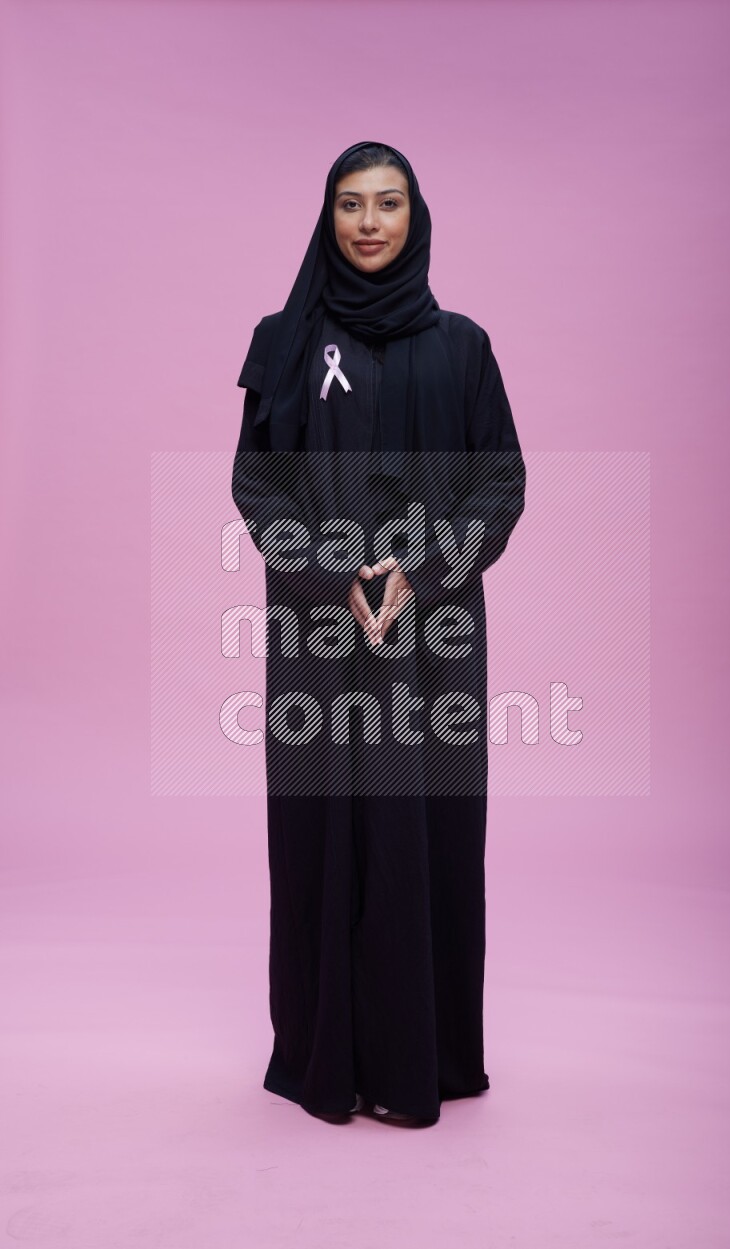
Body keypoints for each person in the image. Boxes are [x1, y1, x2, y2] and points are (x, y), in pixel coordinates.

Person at [232, 140, 526, 1126]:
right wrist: (325, 578)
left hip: (431, 632)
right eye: (349, 204)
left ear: (414, 217)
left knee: (424, 838)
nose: (366, 222)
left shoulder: (463, 346)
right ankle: (326, 1060)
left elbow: (501, 480)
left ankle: (424, 1062)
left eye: (386, 203)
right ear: (327, 217)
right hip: (318, 633)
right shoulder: (283, 341)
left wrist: (427, 568)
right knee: (321, 834)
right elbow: (257, 483)